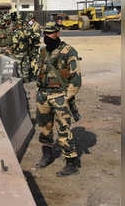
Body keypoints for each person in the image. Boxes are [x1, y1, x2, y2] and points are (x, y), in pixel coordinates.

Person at [35, 22, 82, 177]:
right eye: (46, 33)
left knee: (63, 129)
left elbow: (76, 79)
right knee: (44, 128)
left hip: (60, 96)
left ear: (58, 33)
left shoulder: (68, 51)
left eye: (51, 33)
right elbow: (38, 71)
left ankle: (71, 162)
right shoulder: (42, 51)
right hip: (43, 95)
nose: (48, 36)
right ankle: (47, 155)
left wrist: (66, 97)